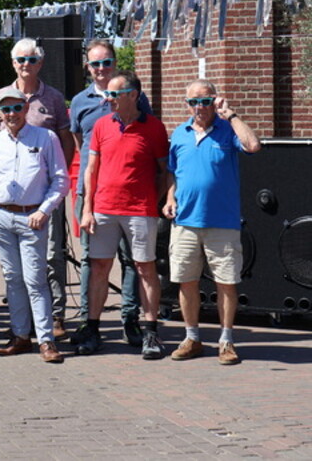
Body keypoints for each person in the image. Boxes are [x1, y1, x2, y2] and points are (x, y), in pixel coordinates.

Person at [164, 80, 261, 365]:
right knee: (186, 281)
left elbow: (253, 145)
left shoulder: (227, 131)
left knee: (226, 282)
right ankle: (192, 338)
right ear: (187, 104)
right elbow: (173, 172)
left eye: (205, 101)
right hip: (185, 222)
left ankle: (226, 341)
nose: (199, 107)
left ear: (214, 101)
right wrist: (169, 198)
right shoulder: (179, 134)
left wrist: (230, 114)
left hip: (222, 222)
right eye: (193, 102)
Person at [0, 38, 73, 339]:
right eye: (21, 60)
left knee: (52, 256)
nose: (26, 64)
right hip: (8, 203)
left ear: (41, 63)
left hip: (44, 199)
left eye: (32, 59)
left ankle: (55, 317)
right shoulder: (0, 97)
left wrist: (54, 188)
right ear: (13, 63)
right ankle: (22, 326)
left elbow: (65, 142)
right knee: (14, 272)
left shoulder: (54, 98)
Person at [79, 70, 170, 359]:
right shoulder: (102, 125)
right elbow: (91, 169)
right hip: (104, 209)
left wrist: (153, 201)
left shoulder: (154, 128)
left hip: (140, 211)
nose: (108, 99)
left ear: (133, 95)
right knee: (99, 268)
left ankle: (150, 332)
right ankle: (92, 329)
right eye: (107, 94)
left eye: (114, 94)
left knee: (145, 268)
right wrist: (88, 208)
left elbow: (164, 171)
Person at [70, 39, 152, 348]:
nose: (102, 69)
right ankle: (88, 322)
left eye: (107, 62)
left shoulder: (136, 96)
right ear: (87, 67)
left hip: (129, 194)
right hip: (92, 192)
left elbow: (147, 134)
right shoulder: (80, 101)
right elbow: (80, 143)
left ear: (115, 64)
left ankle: (130, 319)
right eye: (96, 64)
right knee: (92, 260)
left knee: (131, 260)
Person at [0, 89, 69, 363]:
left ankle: (46, 340)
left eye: (17, 108)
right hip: (1, 217)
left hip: (32, 218)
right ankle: (20, 336)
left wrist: (44, 210)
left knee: (35, 280)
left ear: (26, 108)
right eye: (6, 110)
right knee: (12, 279)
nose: (12, 114)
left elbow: (60, 179)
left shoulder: (46, 138)